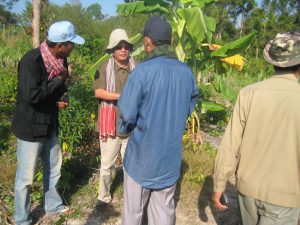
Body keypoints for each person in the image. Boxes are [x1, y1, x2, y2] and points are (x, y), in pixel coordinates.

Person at [117, 16, 199, 225]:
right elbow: (191, 103)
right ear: (170, 40)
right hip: (169, 161)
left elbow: (126, 114)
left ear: (147, 42)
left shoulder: (141, 73)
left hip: (141, 160)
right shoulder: (186, 72)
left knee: (133, 216)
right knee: (163, 215)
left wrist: (125, 129)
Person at [212, 32, 300, 225]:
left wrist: (219, 184)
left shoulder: (248, 93)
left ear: (272, 61)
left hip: (247, 191)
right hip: (285, 197)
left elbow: (230, 144)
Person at [11, 20, 85, 225]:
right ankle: (22, 219)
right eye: (71, 44)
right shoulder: (31, 61)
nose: (73, 47)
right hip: (31, 128)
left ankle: (52, 206)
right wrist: (59, 81)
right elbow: (32, 96)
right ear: (60, 45)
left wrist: (63, 97)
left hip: (50, 123)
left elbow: (57, 90)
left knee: (54, 168)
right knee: (26, 178)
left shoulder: (58, 60)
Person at [93, 28, 135, 208]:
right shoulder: (103, 68)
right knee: (107, 164)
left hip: (132, 124)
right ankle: (103, 197)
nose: (123, 50)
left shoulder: (137, 66)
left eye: (126, 46)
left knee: (132, 166)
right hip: (111, 124)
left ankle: (132, 197)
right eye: (119, 47)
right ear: (112, 50)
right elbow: (99, 92)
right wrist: (123, 96)